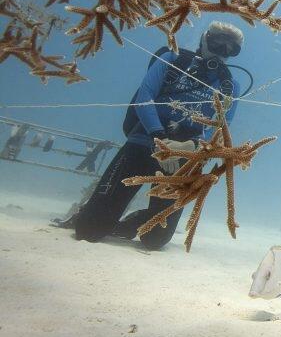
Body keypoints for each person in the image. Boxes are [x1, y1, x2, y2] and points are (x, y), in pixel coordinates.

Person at [70, 21, 243, 250]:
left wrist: (190, 147)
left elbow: (223, 124)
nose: (223, 50)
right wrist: (160, 139)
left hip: (183, 160)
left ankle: (131, 221)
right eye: (218, 42)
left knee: (155, 240)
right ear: (205, 39)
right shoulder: (173, 60)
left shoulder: (230, 85)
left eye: (231, 48)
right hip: (142, 144)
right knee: (88, 230)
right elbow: (145, 96)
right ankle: (95, 215)